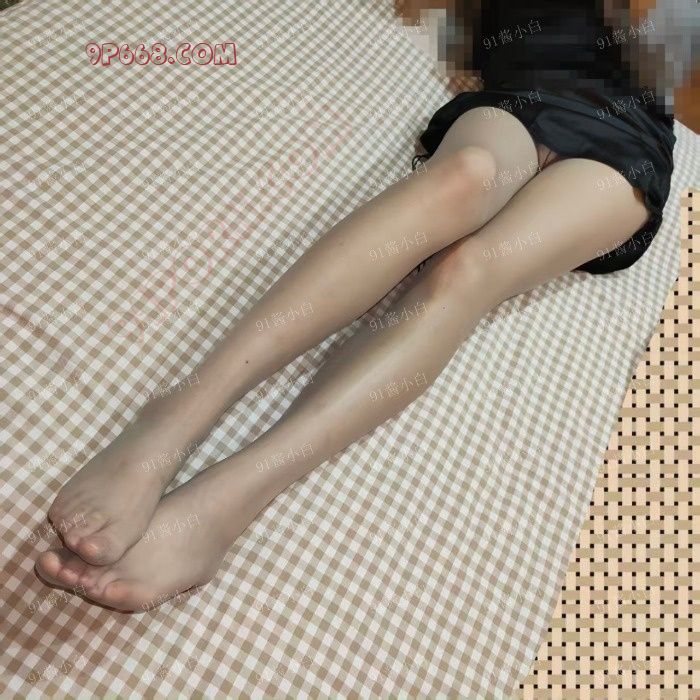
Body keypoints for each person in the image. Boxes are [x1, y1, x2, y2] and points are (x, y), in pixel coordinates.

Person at [35, 0, 692, 611]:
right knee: (461, 177)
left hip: (624, 149)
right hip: (520, 106)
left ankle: (229, 499)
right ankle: (170, 423)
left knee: (467, 269)